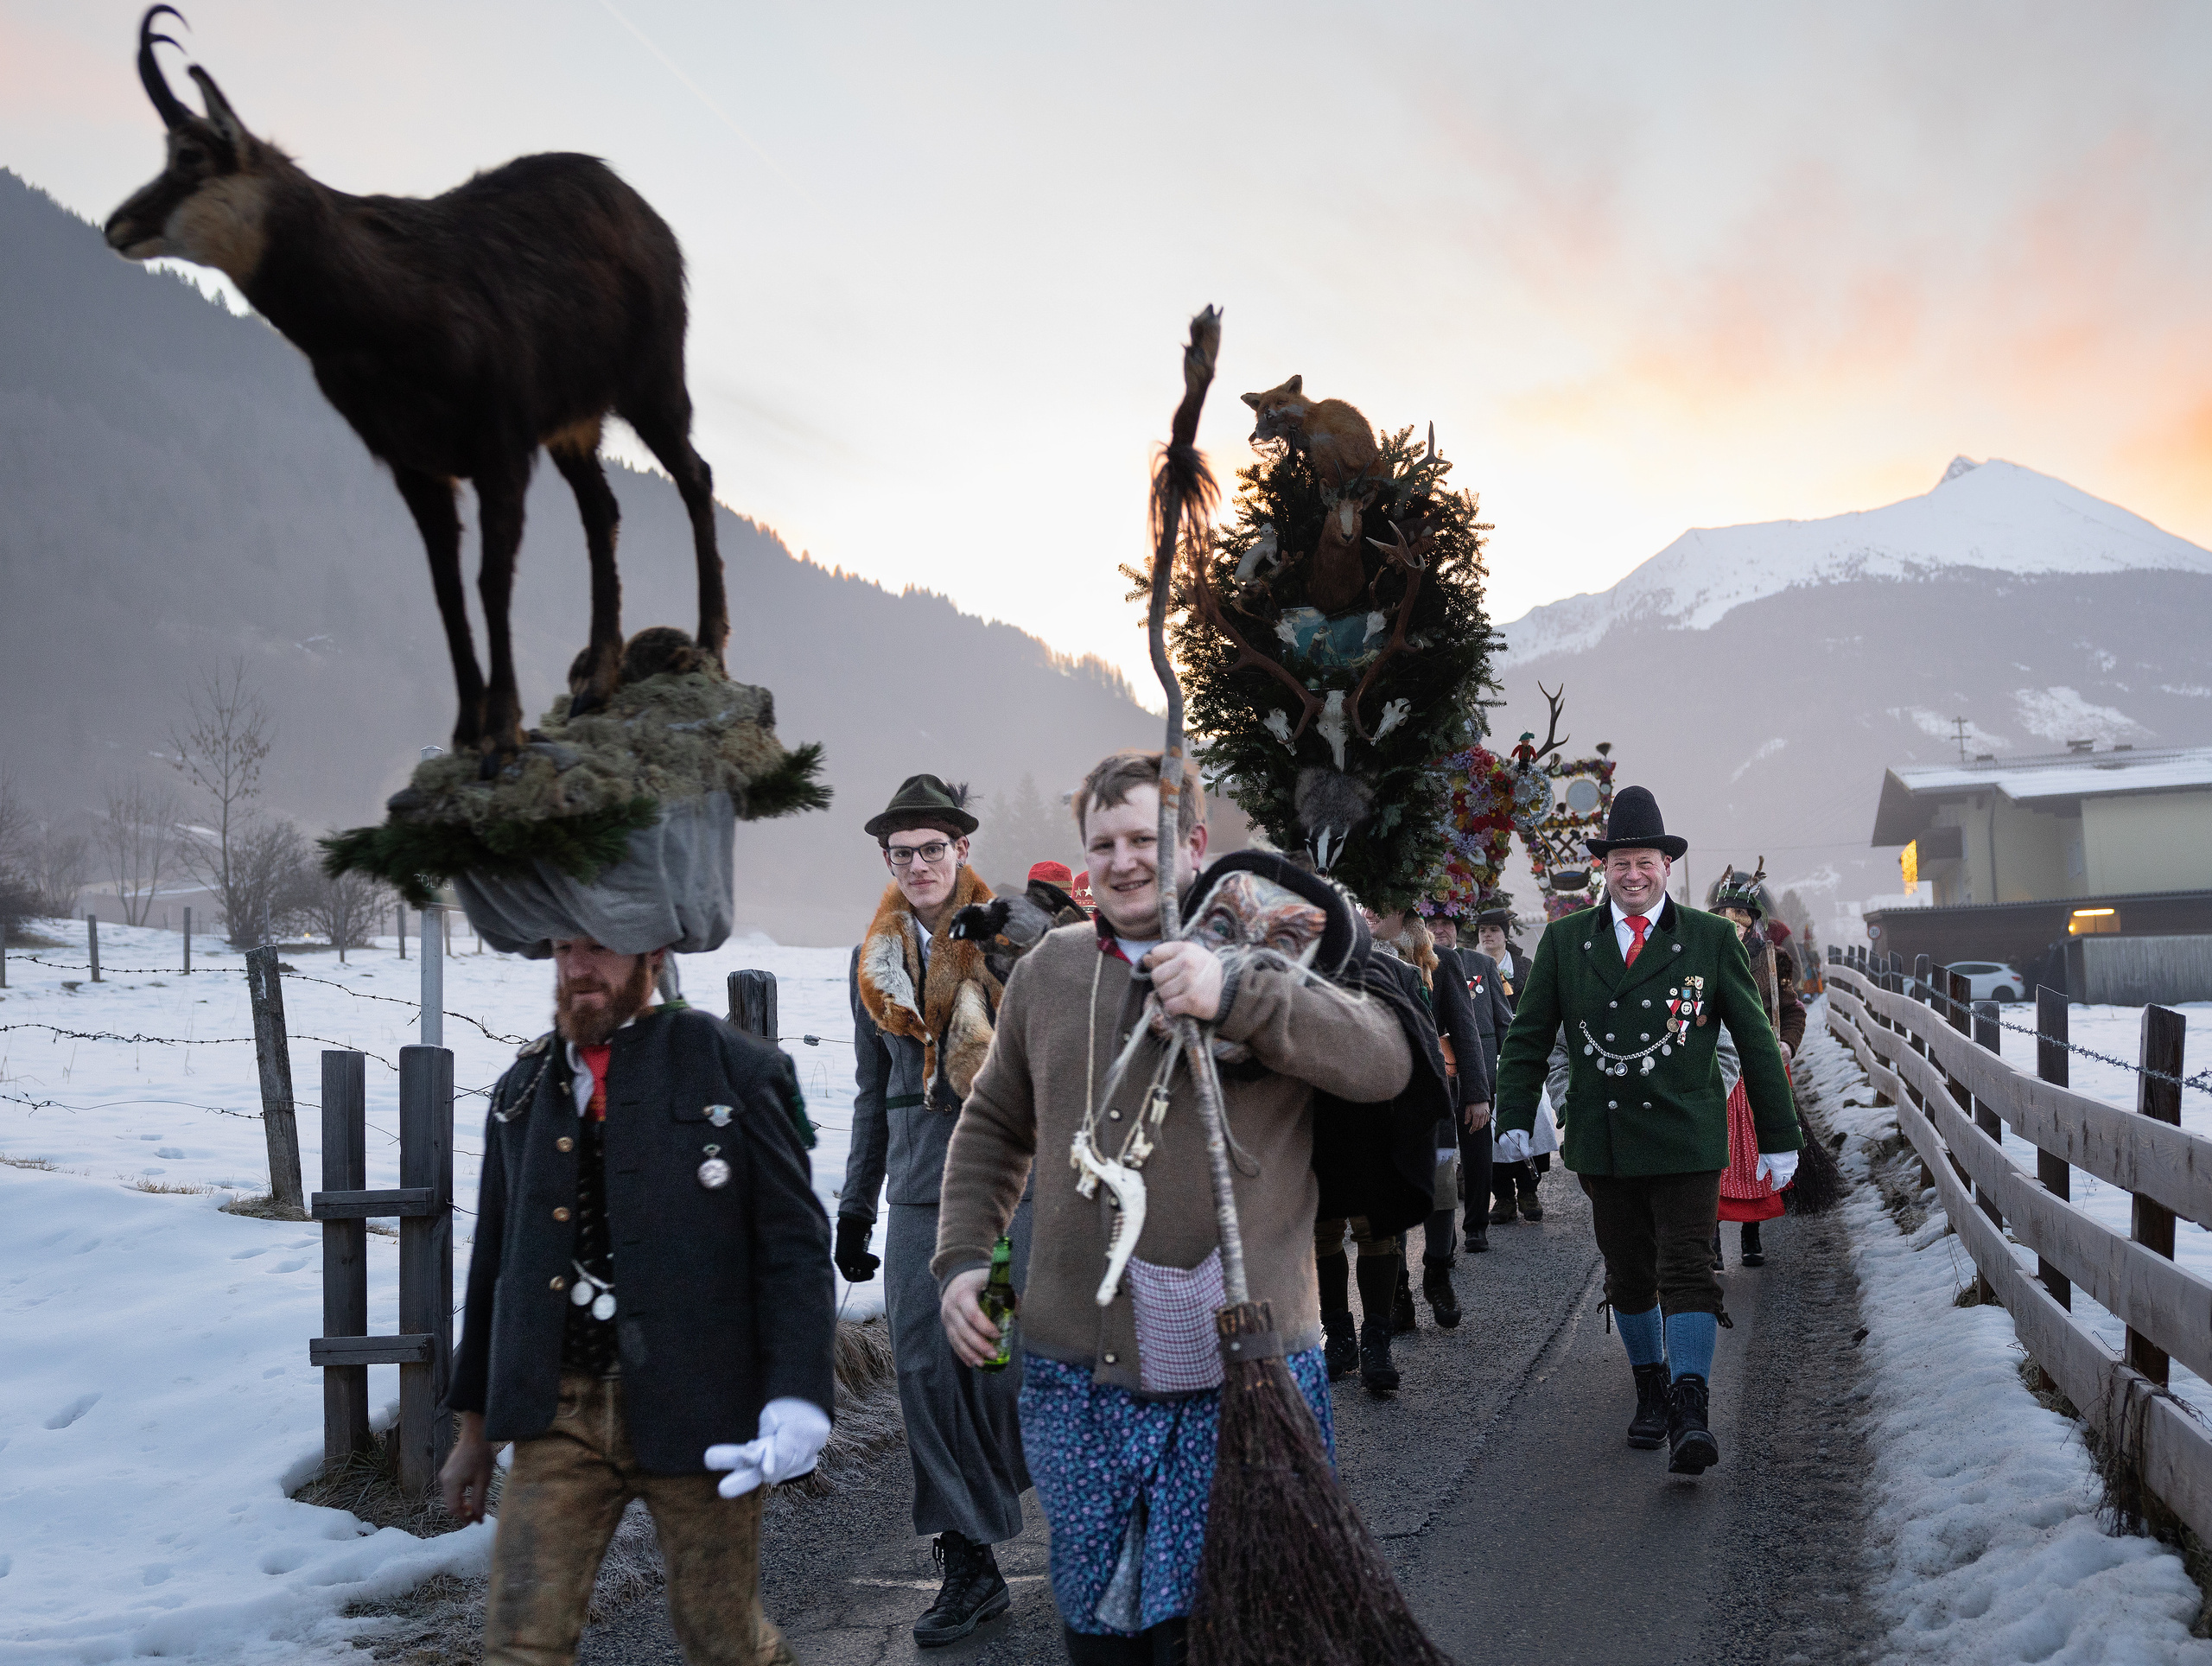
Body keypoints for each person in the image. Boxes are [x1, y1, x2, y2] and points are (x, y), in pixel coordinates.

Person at [932, 750, 1415, 1662]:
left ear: (1192, 843)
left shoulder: (1267, 952)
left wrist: (1232, 992)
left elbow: (1380, 1057)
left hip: (1246, 1370)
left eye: (1142, 837)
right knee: (1102, 1632)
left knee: (1235, 1629)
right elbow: (995, 1122)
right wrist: (963, 1257)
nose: (1122, 860)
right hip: (1076, 1373)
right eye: (1101, 843)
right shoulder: (1048, 971)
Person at [441, 935, 834, 1666]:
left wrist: (797, 1396)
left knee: (724, 1643)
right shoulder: (526, 1086)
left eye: (599, 948)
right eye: (563, 948)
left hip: (703, 1406)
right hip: (560, 1414)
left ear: (652, 953)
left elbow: (794, 1248)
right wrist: (475, 1432)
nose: (577, 967)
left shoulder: (738, 1070)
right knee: (518, 1645)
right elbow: (499, 1263)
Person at [1492, 786, 1802, 1476]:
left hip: (1690, 1137)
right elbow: (1530, 1036)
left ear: (1666, 865)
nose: (1633, 874)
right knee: (1629, 1276)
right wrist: (1517, 1114)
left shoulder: (1712, 937)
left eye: (1646, 861)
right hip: (1606, 1143)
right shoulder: (1569, 942)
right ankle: (1651, 1389)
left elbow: (1755, 1041)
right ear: (1605, 868)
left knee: (1688, 1268)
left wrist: (1781, 1137)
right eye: (1621, 862)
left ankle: (1693, 1406)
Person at [835, 773, 1033, 1646]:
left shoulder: (1011, 941)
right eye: (900, 850)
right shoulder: (870, 962)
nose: (917, 862)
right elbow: (870, 1091)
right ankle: (968, 1561)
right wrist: (853, 1205)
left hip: (1003, 1188)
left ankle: (1074, 1507)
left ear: (962, 850)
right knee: (921, 1368)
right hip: (917, 1194)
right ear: (886, 858)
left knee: (1000, 1359)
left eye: (932, 847)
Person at [1707, 867, 1806, 1269]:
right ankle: (1709, 1240)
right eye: (1726, 914)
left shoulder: (1773, 959)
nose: (1735, 922)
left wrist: (1785, 1044)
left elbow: (1792, 1011)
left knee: (1756, 1156)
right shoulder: (1702, 954)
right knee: (1712, 1153)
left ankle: (1751, 1234)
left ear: (1754, 920)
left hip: (1759, 1071)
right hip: (1714, 1068)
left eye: (1742, 915)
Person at [1432, 912, 1508, 1253]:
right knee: (1439, 1156)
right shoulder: (1414, 964)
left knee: (1478, 1153)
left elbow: (1504, 1021)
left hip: (1476, 1075)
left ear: (1457, 930)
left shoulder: (1480, 963)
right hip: (1436, 1078)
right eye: (1431, 925)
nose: (1439, 931)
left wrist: (1508, 1073)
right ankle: (1443, 1233)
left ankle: (1476, 1225)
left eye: (1445, 925)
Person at [1474, 906, 1555, 1226]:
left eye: (1493, 930)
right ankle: (1503, 1196)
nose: (1487, 936)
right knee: (1492, 1123)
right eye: (1482, 931)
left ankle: (1529, 1191)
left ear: (1506, 934)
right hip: (1487, 1055)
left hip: (1523, 1054)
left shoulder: (1524, 966)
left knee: (1531, 1117)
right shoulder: (1473, 966)